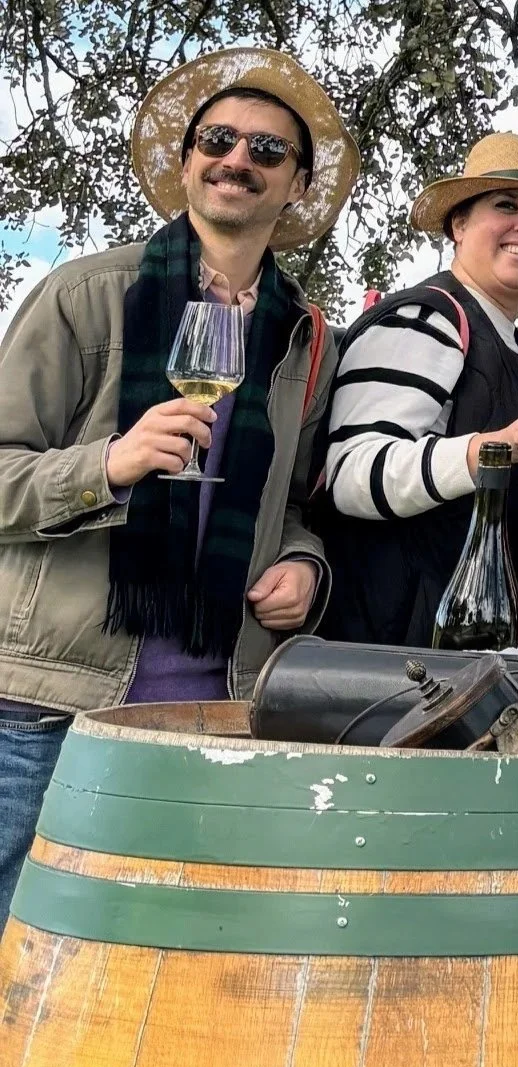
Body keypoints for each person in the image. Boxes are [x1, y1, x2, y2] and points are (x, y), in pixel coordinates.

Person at [0, 47, 355, 912]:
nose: (237, 159)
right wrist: (109, 466)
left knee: (142, 960)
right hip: (46, 707)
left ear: (297, 184)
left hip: (216, 716)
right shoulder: (86, 294)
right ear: (188, 160)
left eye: (267, 150)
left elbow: (291, 504)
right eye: (218, 140)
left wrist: (304, 564)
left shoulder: (307, 339)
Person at [316, 132, 518, 647]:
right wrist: (491, 449)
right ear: (459, 223)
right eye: (506, 205)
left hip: (462, 651)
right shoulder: (425, 318)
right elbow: (352, 473)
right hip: (398, 652)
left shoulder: (506, 340)